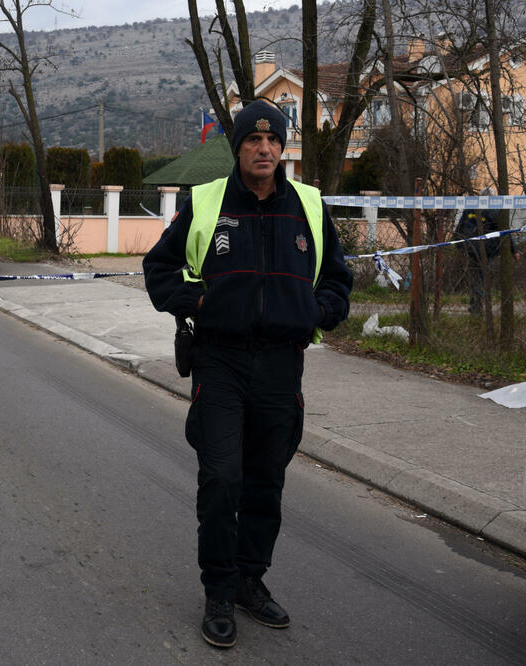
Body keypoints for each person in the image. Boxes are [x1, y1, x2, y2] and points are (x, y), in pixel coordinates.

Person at [143, 99, 353, 650]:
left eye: (273, 141)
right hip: (221, 360)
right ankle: (217, 589)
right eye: (253, 140)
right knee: (220, 478)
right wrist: (198, 303)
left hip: (283, 365)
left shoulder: (307, 205)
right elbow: (159, 267)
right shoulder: (207, 203)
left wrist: (319, 312)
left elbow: (337, 278)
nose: (264, 149)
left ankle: (248, 580)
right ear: (237, 147)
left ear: (283, 148)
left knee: (267, 478)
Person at [455, 187, 522, 315]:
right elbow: (505, 231)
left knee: (477, 276)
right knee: (481, 277)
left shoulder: (470, 208)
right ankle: (477, 307)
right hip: (487, 249)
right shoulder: (493, 211)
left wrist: (460, 247)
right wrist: (514, 251)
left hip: (471, 248)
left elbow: (459, 229)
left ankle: (476, 304)